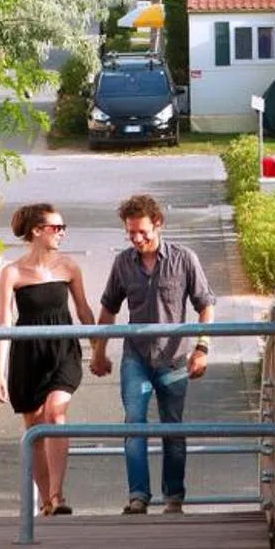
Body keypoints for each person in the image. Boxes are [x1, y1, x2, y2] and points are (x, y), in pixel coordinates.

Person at [88, 193, 215, 514]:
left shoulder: (184, 259)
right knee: (134, 423)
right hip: (137, 357)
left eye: (142, 232)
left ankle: (174, 498)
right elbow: (108, 308)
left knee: (172, 426)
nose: (137, 239)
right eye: (131, 233)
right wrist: (99, 351)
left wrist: (202, 348)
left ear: (158, 224)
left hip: (173, 358)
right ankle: (138, 496)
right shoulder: (123, 263)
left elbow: (206, 305)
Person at [0, 202, 96, 517]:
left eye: (63, 228)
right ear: (37, 231)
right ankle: (45, 502)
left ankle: (58, 494)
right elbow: (4, 323)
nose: (62, 233)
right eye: (56, 228)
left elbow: (84, 309)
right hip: (29, 352)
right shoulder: (12, 272)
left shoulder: (69, 267)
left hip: (63, 349)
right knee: (34, 426)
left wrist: (98, 347)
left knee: (55, 413)